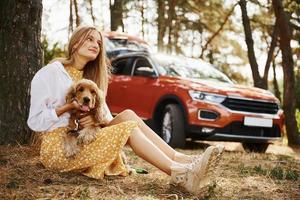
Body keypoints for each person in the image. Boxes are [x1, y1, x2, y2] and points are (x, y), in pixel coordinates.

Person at [27, 25, 223, 195]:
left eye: (99, 42)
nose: (96, 44)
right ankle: (180, 174)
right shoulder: (52, 72)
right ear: (75, 42)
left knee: (128, 115)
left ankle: (186, 160)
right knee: (128, 127)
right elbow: (35, 121)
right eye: (89, 39)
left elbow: (105, 117)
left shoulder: (91, 79)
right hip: (61, 146)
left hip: (87, 136)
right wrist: (67, 109)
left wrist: (94, 121)